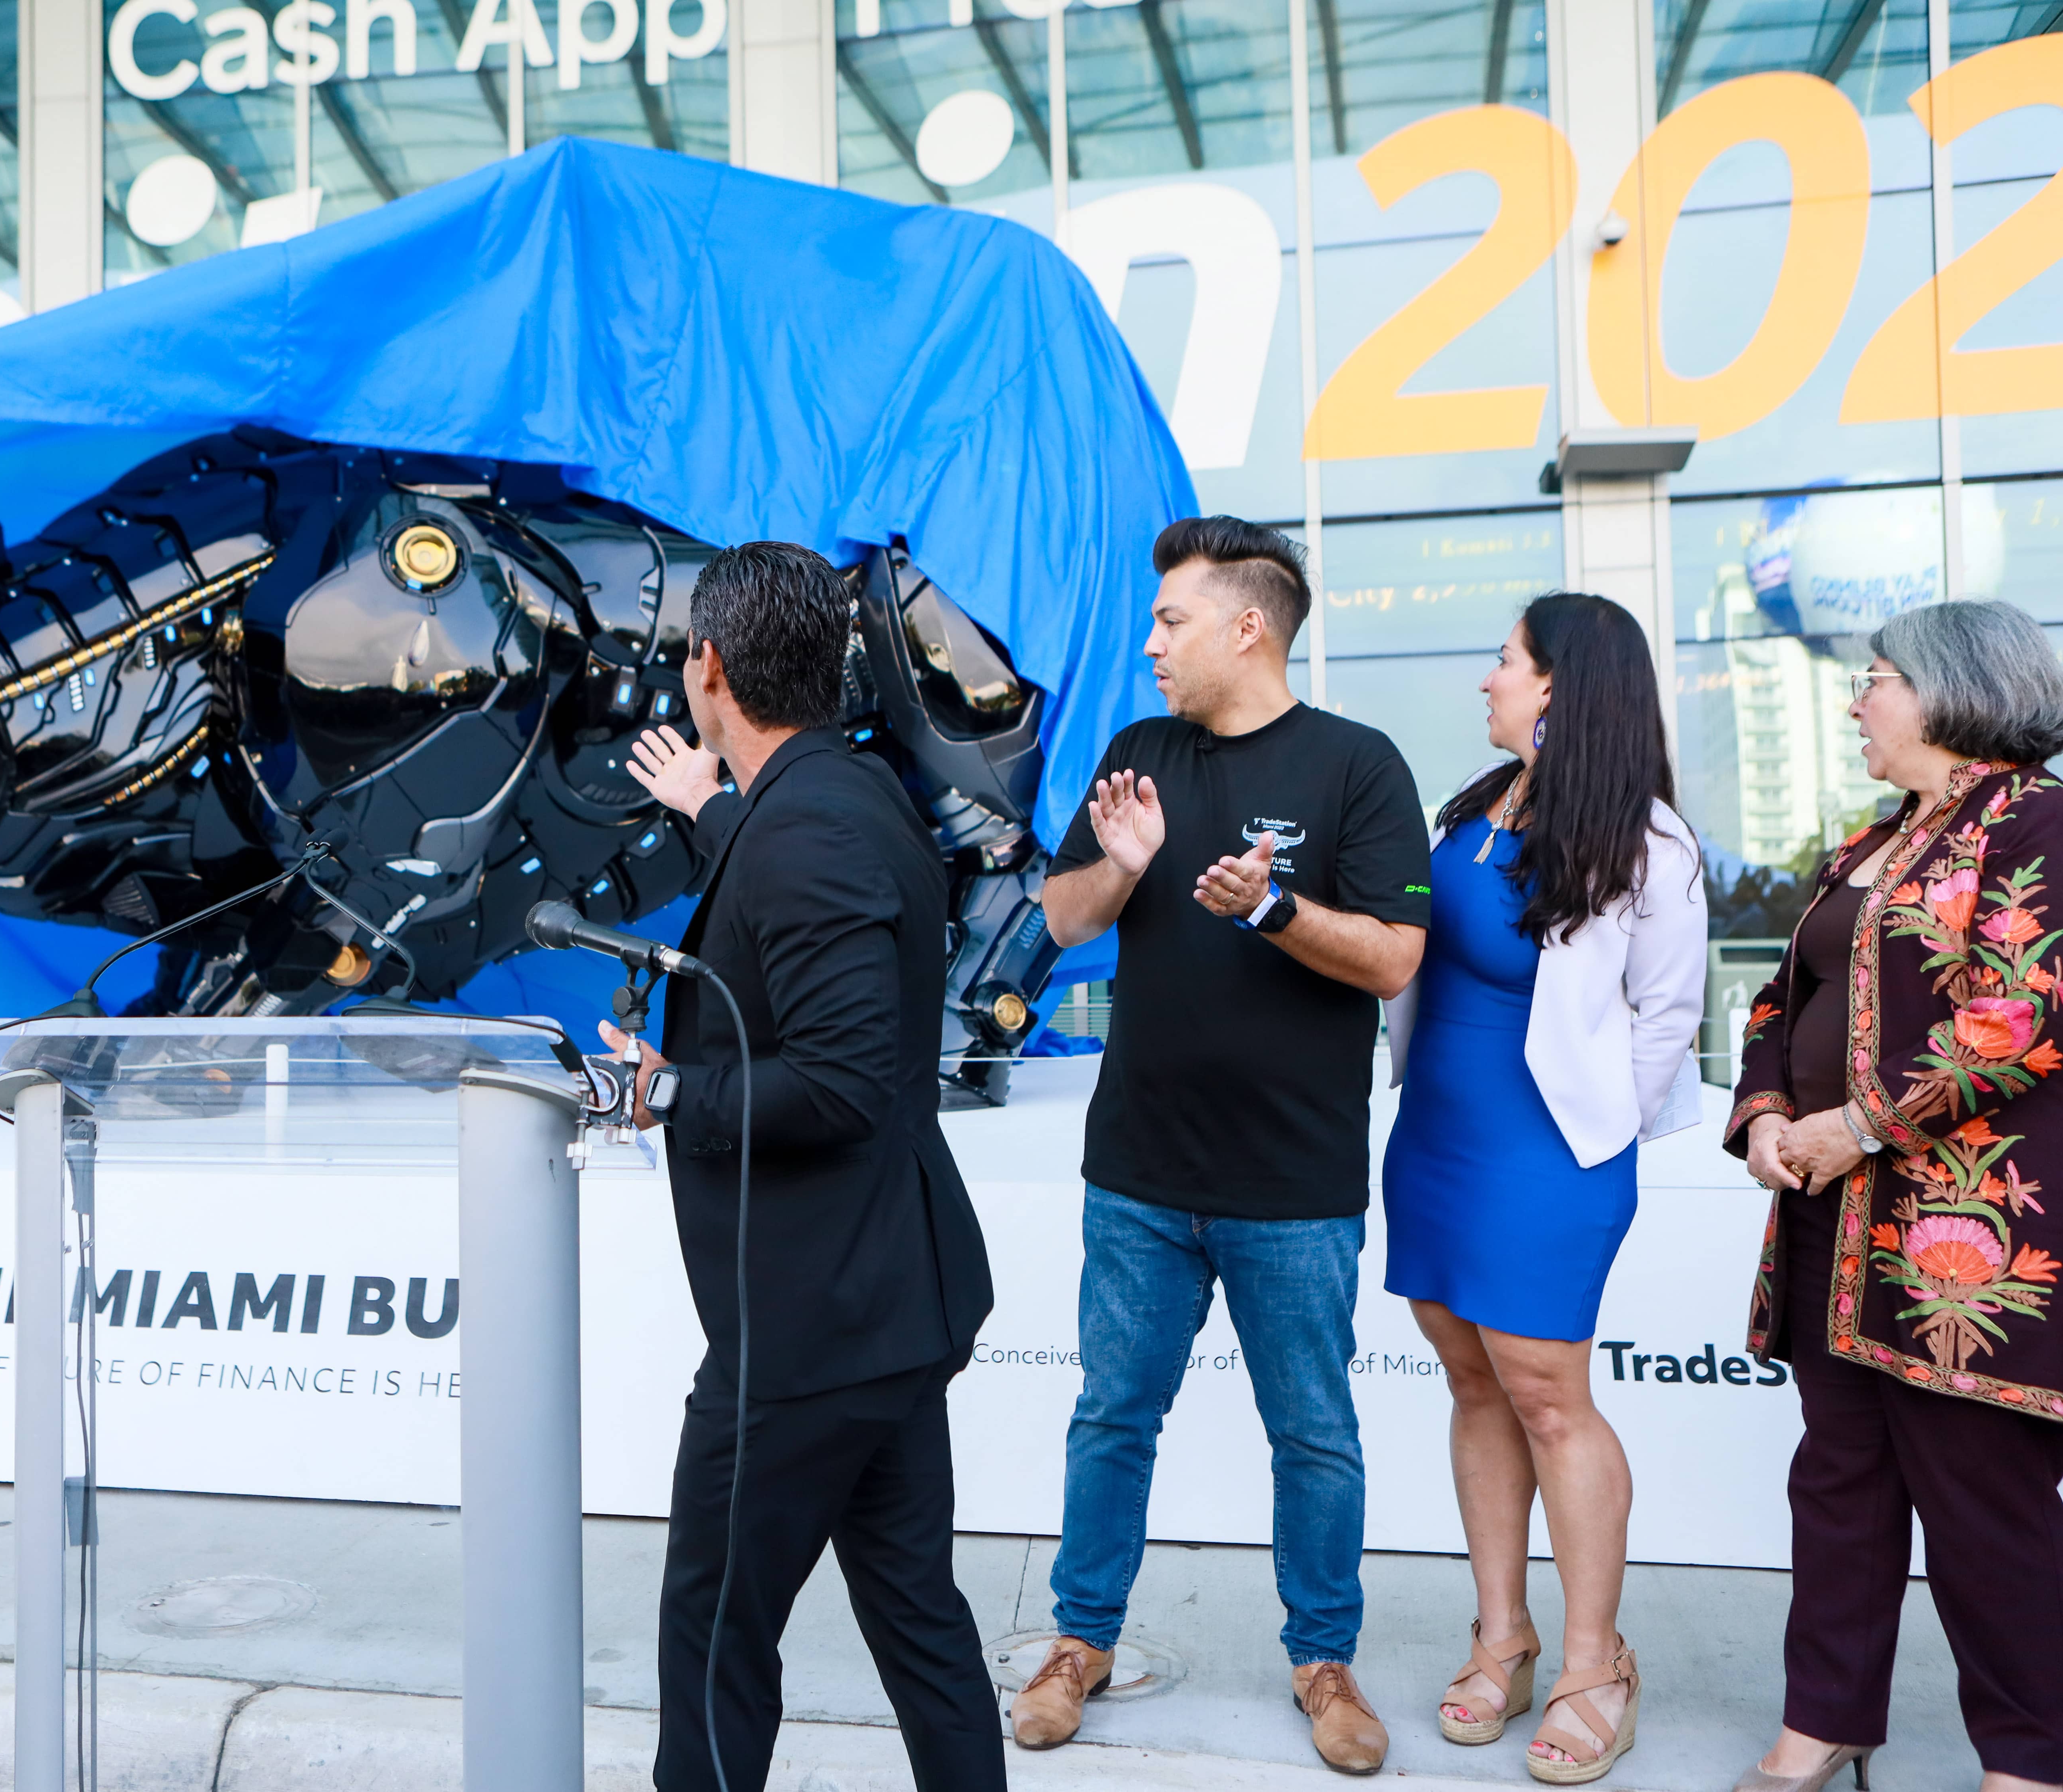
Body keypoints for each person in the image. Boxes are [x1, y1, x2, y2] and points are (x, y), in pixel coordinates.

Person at [1013, 515, 1431, 1772]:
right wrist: (1123, 867)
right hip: (1138, 1174)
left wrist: (1277, 907)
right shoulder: (1142, 755)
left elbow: (1396, 956)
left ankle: (1325, 1663)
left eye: (1171, 621)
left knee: (1312, 1431)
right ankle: (1079, 1643)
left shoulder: (1358, 766)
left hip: (1293, 1188)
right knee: (1112, 1418)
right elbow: (1057, 909)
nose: (1151, 646)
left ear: (1250, 626)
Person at [609, 541, 1004, 1792]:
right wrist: (713, 807)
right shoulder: (840, 793)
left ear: (709, 666)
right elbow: (800, 882)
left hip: (809, 1331)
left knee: (717, 1634)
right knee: (918, 1621)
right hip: (880, 1305)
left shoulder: (812, 829)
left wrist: (664, 1092)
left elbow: (840, 1081)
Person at [1726, 598, 2063, 1792]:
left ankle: (2029, 1759)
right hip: (1830, 1216)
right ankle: (1827, 1719)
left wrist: (1859, 1123)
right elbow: (1779, 1001)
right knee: (1839, 1479)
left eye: (1874, 677)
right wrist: (1768, 1112)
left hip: (1961, 1231)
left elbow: (2024, 1011)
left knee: (1986, 1505)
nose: (1856, 699)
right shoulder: (1869, 841)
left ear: (1951, 690)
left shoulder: (2039, 822)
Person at [1378, 594, 1707, 1785]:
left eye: (1504, 662)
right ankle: (1500, 1637)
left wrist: (1602, 1131)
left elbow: (1672, 1012)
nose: (1485, 680)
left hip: (1551, 1154)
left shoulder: (1650, 843)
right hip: (1436, 1137)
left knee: (1551, 1396)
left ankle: (1591, 1663)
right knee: (1474, 1382)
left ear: (1561, 688)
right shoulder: (1476, 807)